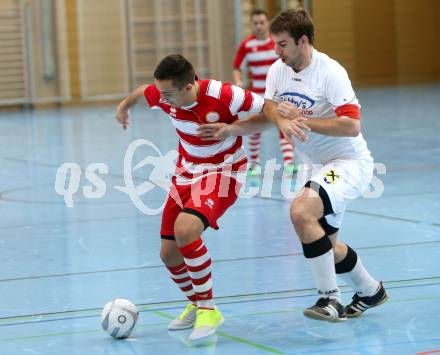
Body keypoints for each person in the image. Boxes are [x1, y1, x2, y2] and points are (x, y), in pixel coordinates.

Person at [200, 9, 389, 322]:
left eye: (283, 44)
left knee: (301, 211)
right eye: (275, 44)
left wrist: (305, 122)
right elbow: (270, 113)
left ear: (303, 41)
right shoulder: (278, 70)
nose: (277, 51)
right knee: (323, 243)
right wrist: (232, 128)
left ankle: (330, 300)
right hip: (317, 165)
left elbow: (352, 125)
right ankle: (371, 290)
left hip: (347, 162)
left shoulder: (330, 72)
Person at [115, 54, 270, 341]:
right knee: (169, 253)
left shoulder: (224, 94)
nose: (162, 99)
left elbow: (269, 109)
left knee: (185, 230)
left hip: (224, 172)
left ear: (189, 86)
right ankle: (197, 304)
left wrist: (234, 129)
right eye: (160, 93)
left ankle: (209, 310)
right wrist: (124, 106)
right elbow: (143, 92)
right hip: (185, 174)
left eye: (168, 94)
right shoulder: (165, 94)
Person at [232, 9, 296, 176]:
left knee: (283, 125)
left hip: (279, 94)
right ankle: (254, 164)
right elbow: (237, 67)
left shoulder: (277, 43)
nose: (259, 26)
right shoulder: (247, 45)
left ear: (267, 23)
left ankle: (289, 163)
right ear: (252, 25)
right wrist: (238, 80)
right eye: (256, 23)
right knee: (255, 130)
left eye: (262, 22)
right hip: (258, 96)